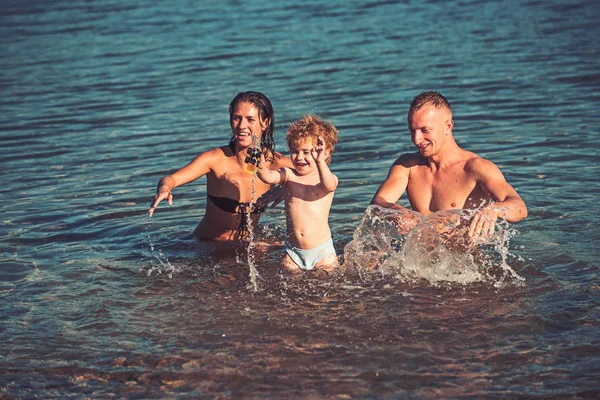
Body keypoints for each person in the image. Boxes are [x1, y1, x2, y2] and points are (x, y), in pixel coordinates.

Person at [371, 91, 527, 239]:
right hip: (417, 259)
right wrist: (397, 212)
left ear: (448, 126)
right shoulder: (407, 166)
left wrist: (493, 210)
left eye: (425, 130)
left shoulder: (476, 168)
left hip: (463, 263)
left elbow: (519, 207)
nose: (417, 139)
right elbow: (378, 203)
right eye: (412, 131)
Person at [148, 91, 292, 241]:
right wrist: (164, 189)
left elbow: (315, 177)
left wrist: (285, 189)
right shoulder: (215, 159)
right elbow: (171, 179)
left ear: (265, 123)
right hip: (207, 248)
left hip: (244, 249)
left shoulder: (277, 163)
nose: (242, 126)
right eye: (237, 118)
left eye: (250, 120)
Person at [257, 115, 339, 272]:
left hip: (322, 252)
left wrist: (320, 162)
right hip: (293, 252)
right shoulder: (288, 174)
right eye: (295, 151)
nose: (299, 157)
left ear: (325, 153)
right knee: (290, 289)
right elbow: (269, 176)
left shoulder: (326, 179)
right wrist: (260, 167)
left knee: (327, 290)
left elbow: (329, 186)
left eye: (307, 152)